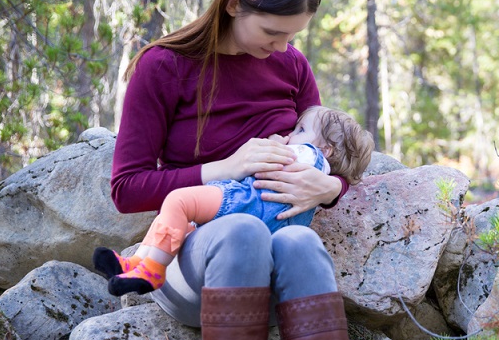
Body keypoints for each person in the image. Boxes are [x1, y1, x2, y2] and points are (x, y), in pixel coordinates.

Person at [105, 0, 362, 340]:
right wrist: (223, 169)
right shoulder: (163, 67)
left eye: (292, 37)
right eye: (272, 33)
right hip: (194, 270)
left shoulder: (292, 67)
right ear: (232, 3)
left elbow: (330, 150)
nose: (283, 48)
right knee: (241, 230)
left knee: (300, 240)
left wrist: (331, 187)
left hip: (283, 280)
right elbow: (126, 188)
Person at [94, 105, 373, 297]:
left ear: (325, 149)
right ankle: (136, 265)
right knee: (183, 223)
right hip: (263, 221)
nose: (290, 134)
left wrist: (273, 145)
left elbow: (267, 167)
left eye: (299, 129)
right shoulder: (313, 162)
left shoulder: (308, 155)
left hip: (246, 202)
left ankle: (151, 269)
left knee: (179, 202)